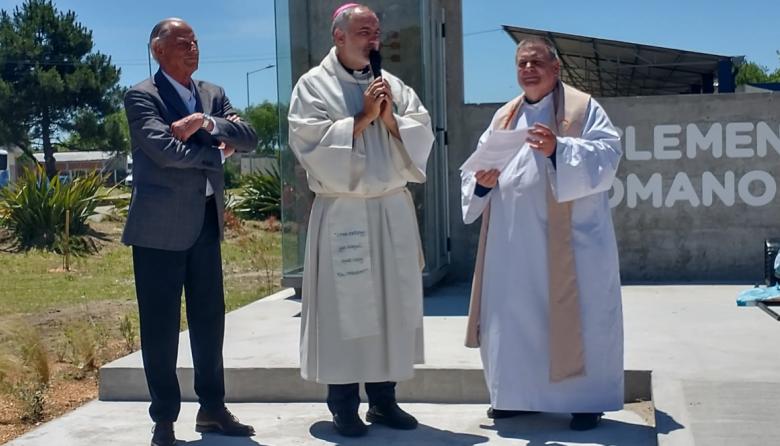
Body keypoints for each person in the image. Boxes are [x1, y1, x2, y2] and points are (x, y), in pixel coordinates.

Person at [461, 36, 624, 431]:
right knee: (514, 317)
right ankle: (517, 397)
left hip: (574, 242)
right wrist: (482, 184)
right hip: (512, 241)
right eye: (521, 64)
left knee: (578, 315)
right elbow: (473, 171)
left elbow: (608, 155)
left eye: (536, 62)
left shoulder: (584, 108)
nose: (528, 70)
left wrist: (558, 150)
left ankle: (585, 402)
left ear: (556, 69)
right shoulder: (504, 116)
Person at [287, 3, 435, 438]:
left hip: (389, 209)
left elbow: (420, 131)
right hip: (345, 210)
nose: (373, 39)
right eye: (364, 31)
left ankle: (385, 400)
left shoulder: (393, 86)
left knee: (391, 306)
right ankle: (344, 405)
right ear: (338, 37)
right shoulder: (313, 86)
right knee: (345, 312)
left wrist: (390, 118)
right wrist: (363, 118)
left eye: (376, 32)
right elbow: (308, 141)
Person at [123, 18, 258, 446]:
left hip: (204, 223)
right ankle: (164, 419)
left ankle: (212, 409)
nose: (193, 48)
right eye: (183, 42)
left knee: (209, 321)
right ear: (157, 49)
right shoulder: (142, 96)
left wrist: (206, 124)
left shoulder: (213, 94)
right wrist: (217, 151)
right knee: (160, 327)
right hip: (157, 232)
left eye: (196, 41)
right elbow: (163, 151)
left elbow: (249, 137)